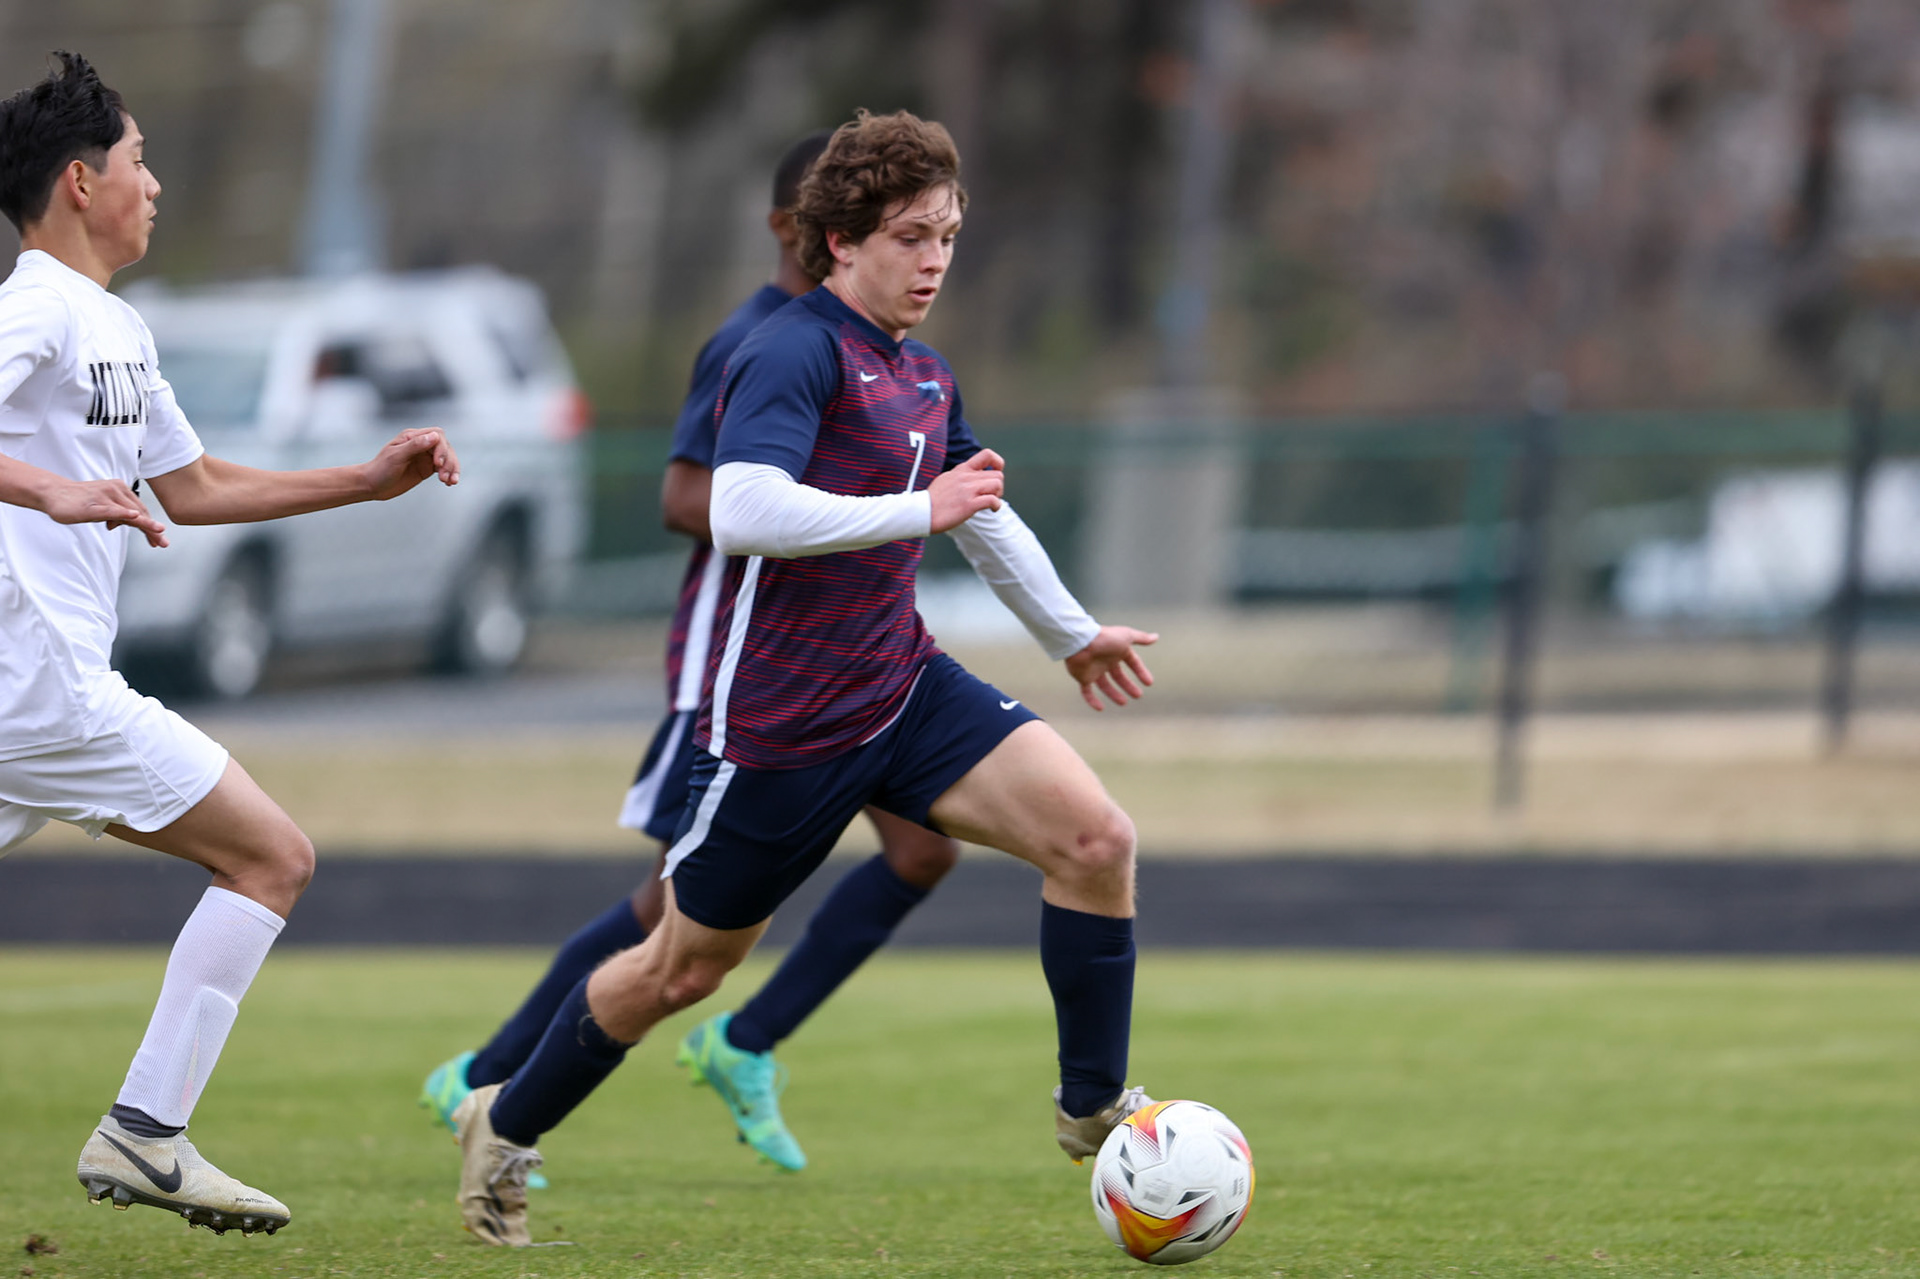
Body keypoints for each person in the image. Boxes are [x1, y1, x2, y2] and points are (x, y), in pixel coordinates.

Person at [445, 107, 1160, 1249]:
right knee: (682, 970)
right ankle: (506, 1120)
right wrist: (916, 511)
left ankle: (1093, 1113)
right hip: (780, 727)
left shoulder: (921, 370)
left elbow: (981, 508)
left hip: (903, 684)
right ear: (840, 242)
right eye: (911, 236)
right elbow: (739, 507)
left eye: (948, 237)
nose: (934, 260)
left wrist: (1070, 634)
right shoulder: (791, 347)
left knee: (1095, 841)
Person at [418, 129, 961, 1176]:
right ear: (801, 228)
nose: (918, 249)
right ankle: (484, 1074)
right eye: (890, 224)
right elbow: (685, 496)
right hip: (738, 668)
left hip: (854, 670)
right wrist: (867, 508)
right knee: (672, 913)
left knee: (923, 848)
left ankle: (744, 1042)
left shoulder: (885, 353)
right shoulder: (761, 339)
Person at [0, 52, 460, 1236]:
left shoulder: (116, 327)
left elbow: (193, 486)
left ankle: (148, 1130)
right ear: (78, 181)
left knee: (265, 856)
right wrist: (47, 492)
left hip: (33, 691)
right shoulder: (37, 307)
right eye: (139, 162)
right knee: (271, 855)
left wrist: (362, 481)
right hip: (37, 681)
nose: (154, 185)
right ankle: (147, 1131)